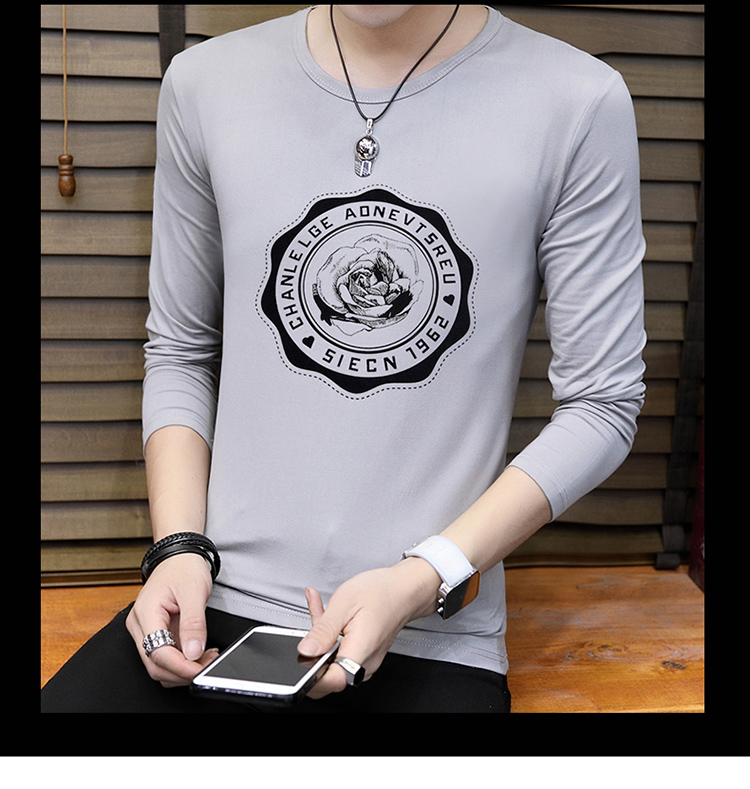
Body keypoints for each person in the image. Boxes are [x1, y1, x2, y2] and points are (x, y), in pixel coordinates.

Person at [41, 4, 646, 713]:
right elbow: (180, 349)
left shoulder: (577, 101)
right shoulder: (204, 82)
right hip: (206, 611)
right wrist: (176, 550)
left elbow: (602, 405)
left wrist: (423, 576)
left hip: (427, 629)